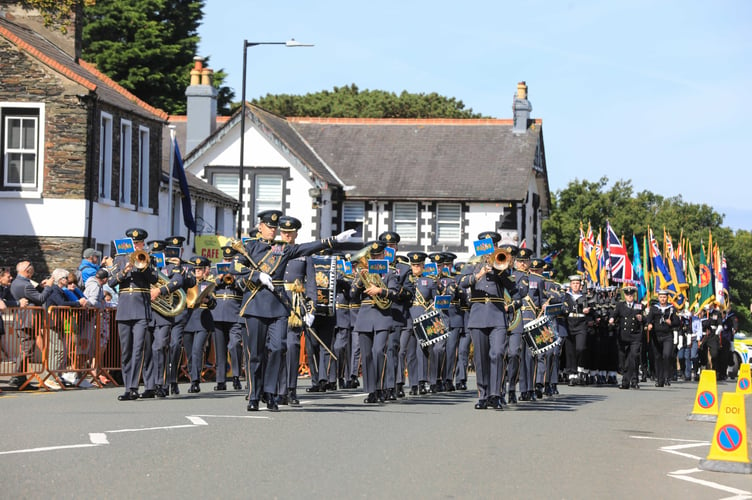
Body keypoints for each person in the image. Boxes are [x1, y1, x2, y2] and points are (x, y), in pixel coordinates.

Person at [239, 210, 355, 411]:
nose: (272, 230)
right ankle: (254, 396)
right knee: (256, 354)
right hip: (255, 304)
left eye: (274, 228)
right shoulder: (250, 247)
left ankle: (271, 392)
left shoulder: (282, 249)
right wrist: (256, 274)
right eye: (269, 227)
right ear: (260, 227)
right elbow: (232, 266)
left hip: (278, 306)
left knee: (278, 349)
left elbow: (306, 248)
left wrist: (334, 240)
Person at [459, 232, 521, 410]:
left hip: (497, 317)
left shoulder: (502, 266)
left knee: (497, 353)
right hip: (477, 316)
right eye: (487, 246)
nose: (490, 250)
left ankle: (496, 394)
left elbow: (515, 292)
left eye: (493, 246)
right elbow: (461, 283)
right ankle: (483, 395)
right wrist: (478, 275)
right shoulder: (472, 265)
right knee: (480, 358)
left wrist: (498, 269)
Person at [108, 228, 160, 401]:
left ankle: (133, 387)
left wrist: (142, 266)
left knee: (138, 349)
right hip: (124, 308)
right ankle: (127, 386)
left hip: (141, 308)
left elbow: (153, 279)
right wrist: (126, 269)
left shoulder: (149, 258)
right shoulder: (119, 259)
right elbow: (111, 281)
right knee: (126, 351)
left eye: (139, 243)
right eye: (134, 243)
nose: (137, 246)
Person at [351, 241, 400, 403]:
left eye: (378, 255)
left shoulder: (390, 273)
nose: (375, 258)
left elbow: (395, 293)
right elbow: (352, 295)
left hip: (382, 316)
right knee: (366, 355)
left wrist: (380, 290)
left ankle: (381, 388)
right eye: (372, 256)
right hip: (365, 316)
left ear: (383, 255)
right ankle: (371, 391)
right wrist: (359, 279)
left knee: (378, 352)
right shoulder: (362, 273)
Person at [9, 261, 54, 389]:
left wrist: (40, 286)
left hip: (23, 320)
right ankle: (17, 377)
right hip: (27, 321)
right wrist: (49, 287)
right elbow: (40, 299)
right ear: (27, 270)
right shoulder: (24, 284)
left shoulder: (20, 282)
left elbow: (33, 296)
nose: (33, 269)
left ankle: (20, 378)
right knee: (26, 350)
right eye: (31, 267)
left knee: (27, 349)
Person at [44, 268, 88, 389]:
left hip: (58, 322)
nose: (68, 280)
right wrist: (78, 303)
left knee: (59, 350)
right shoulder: (54, 290)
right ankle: (51, 377)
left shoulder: (59, 290)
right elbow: (62, 303)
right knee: (58, 350)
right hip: (53, 322)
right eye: (65, 278)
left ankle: (56, 376)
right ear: (60, 279)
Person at [212, 245, 245, 392]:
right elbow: (208, 287)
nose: (227, 261)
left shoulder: (240, 270)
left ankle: (236, 376)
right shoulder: (214, 270)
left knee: (234, 345)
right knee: (220, 349)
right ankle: (220, 380)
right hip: (218, 314)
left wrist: (235, 279)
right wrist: (219, 280)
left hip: (235, 313)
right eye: (225, 259)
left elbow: (245, 288)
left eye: (230, 259)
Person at [609, 285, 644, 389]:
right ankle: (627, 379)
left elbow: (646, 319)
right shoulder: (620, 305)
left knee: (634, 357)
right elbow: (614, 315)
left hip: (635, 336)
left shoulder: (639, 306)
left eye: (631, 294)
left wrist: (641, 318)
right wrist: (611, 319)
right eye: (628, 295)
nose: (630, 296)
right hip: (623, 336)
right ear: (625, 295)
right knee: (623, 360)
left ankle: (631, 381)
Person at [563, 274, 594, 386]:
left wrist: (589, 312)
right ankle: (572, 375)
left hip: (581, 324)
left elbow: (593, 311)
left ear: (580, 285)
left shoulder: (586, 297)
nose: (575, 285)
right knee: (570, 350)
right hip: (569, 324)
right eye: (573, 283)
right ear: (570, 285)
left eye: (577, 283)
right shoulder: (566, 296)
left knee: (580, 348)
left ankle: (580, 368)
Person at [645, 290, 678, 387]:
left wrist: (671, 322)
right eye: (661, 297)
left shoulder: (671, 308)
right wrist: (649, 324)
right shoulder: (654, 308)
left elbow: (677, 322)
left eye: (664, 297)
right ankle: (660, 379)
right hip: (656, 336)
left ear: (667, 298)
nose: (663, 299)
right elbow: (649, 319)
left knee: (666, 355)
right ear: (658, 298)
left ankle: (667, 376)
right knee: (658, 357)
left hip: (667, 335)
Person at [0, 266, 19, 361]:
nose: (11, 278)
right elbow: (2, 306)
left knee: (2, 337)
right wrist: (19, 303)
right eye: (8, 276)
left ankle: (11, 356)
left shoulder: (5, 288)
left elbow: (12, 301)